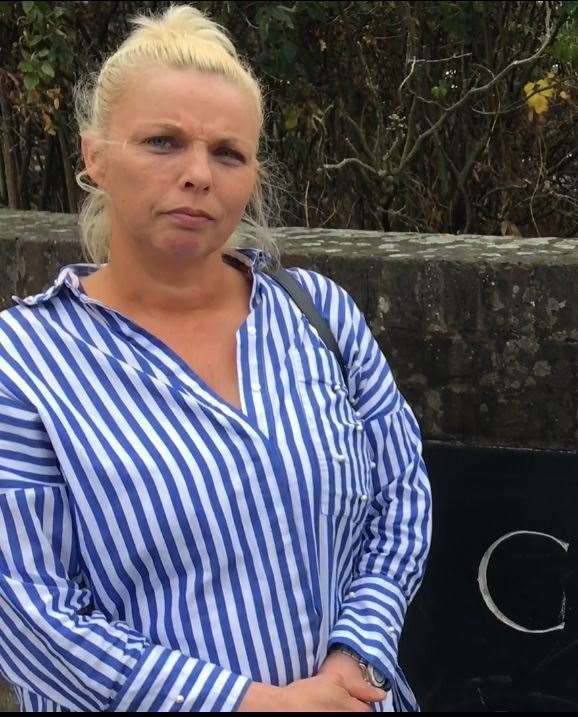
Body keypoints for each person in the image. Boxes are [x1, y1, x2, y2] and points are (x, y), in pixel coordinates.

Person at [0, 6, 431, 712]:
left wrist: (356, 655)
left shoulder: (313, 312)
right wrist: (250, 703)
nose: (198, 174)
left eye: (227, 152)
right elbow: (29, 614)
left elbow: (401, 494)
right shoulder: (22, 366)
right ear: (95, 157)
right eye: (163, 142)